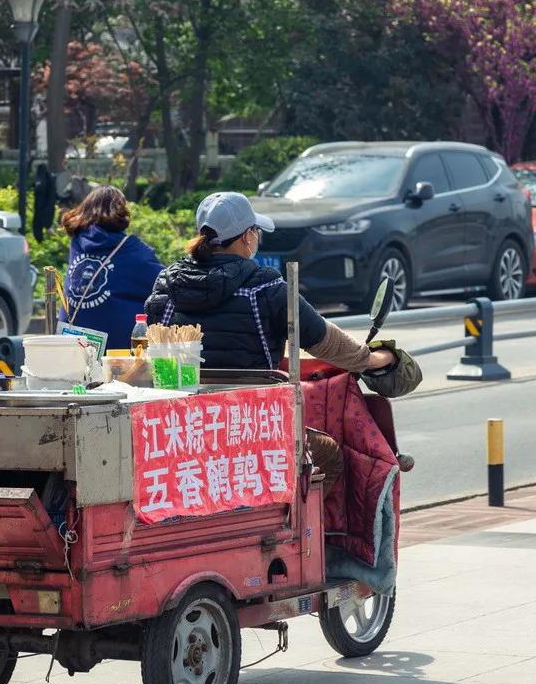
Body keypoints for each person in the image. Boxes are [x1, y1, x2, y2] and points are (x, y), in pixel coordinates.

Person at [145, 191, 398, 490]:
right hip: (251, 426)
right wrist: (374, 359)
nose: (257, 238)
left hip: (184, 427)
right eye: (256, 231)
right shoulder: (265, 286)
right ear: (246, 237)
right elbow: (325, 341)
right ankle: (308, 530)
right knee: (327, 454)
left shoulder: (167, 282)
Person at [61, 186, 164, 350]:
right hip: (116, 351)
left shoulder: (77, 242)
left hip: (72, 344)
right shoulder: (131, 250)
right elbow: (165, 282)